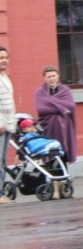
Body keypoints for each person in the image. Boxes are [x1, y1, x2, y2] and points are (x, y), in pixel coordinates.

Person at [34, 65, 77, 197]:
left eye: (53, 76)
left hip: (64, 131)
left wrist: (52, 103)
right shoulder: (40, 92)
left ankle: (63, 188)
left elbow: (71, 105)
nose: (51, 79)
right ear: (44, 78)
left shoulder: (65, 90)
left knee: (62, 157)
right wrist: (61, 108)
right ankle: (55, 190)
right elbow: (42, 109)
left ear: (58, 77)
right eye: (49, 77)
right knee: (50, 159)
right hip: (48, 129)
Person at [0, 47, 15, 205]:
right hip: (1, 126)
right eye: (1, 58)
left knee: (3, 160)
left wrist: (13, 123)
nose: (4, 60)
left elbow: (9, 103)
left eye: (6, 57)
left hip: (7, 125)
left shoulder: (5, 77)